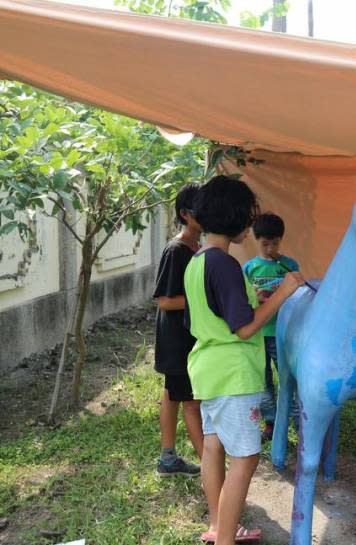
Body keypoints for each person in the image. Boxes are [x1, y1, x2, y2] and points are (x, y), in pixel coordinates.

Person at [184, 175, 305, 545]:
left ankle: (219, 526)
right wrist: (283, 292)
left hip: (207, 370)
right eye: (248, 219)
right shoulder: (224, 264)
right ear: (235, 218)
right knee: (246, 459)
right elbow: (245, 328)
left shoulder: (198, 261)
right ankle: (224, 539)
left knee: (213, 446)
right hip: (234, 375)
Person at [152, 182, 204, 476]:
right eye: (201, 210)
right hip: (177, 340)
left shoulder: (197, 247)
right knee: (190, 402)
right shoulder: (177, 250)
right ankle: (213, 473)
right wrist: (206, 299)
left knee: (172, 394)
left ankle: (168, 458)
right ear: (185, 214)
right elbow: (166, 302)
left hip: (187, 337)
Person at [243, 213, 301, 442]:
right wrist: (252, 297)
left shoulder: (289, 265)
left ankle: (299, 424)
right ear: (255, 241)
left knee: (291, 380)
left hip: (284, 333)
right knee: (263, 381)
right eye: (264, 243)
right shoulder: (249, 269)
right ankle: (271, 423)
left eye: (274, 243)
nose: (269, 248)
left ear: (281, 240)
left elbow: (300, 293)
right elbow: (242, 302)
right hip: (258, 335)